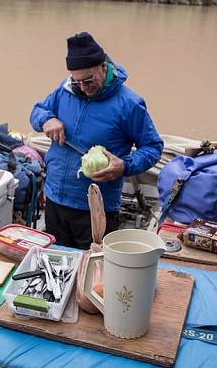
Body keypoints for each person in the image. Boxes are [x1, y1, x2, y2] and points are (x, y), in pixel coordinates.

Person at [30, 31, 163, 249]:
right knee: (54, 264)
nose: (82, 87)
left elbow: (153, 147)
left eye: (88, 80)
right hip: (55, 199)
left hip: (96, 208)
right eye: (77, 81)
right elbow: (37, 110)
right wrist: (46, 120)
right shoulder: (64, 91)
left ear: (103, 66)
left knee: (93, 272)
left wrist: (125, 166)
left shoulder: (129, 104)